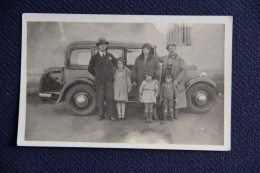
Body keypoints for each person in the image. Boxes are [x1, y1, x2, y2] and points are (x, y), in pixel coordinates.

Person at [88, 38, 117, 122]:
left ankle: (111, 115)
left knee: (110, 97)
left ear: (106, 46)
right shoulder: (94, 57)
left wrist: (112, 73)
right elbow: (90, 68)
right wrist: (97, 75)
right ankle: (101, 114)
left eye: (104, 44)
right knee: (100, 98)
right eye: (101, 44)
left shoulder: (110, 56)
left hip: (109, 80)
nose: (103, 46)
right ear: (98, 47)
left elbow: (116, 65)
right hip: (99, 81)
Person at [132, 43, 161, 120]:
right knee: (143, 97)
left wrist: (156, 78)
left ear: (150, 50)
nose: (146, 50)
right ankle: (145, 113)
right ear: (142, 50)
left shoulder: (154, 58)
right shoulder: (138, 58)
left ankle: (154, 114)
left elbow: (158, 68)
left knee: (153, 97)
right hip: (141, 81)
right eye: (144, 49)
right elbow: (134, 69)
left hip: (151, 81)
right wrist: (134, 80)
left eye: (147, 49)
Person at [159, 43, 187, 118]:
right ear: (167, 50)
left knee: (175, 96)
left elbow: (184, 70)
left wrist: (177, 80)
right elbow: (157, 58)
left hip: (175, 80)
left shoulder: (180, 59)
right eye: (169, 48)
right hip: (166, 80)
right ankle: (165, 114)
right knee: (166, 95)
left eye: (173, 48)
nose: (171, 50)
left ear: (175, 49)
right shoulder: (165, 58)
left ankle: (175, 114)